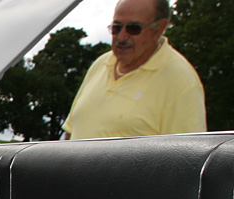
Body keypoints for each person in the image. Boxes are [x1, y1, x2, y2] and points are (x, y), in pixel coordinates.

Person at [62, 0, 205, 140]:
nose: (122, 37)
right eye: (116, 27)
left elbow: (188, 157)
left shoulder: (181, 80)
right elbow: (71, 131)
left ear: (159, 29)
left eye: (133, 28)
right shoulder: (101, 64)